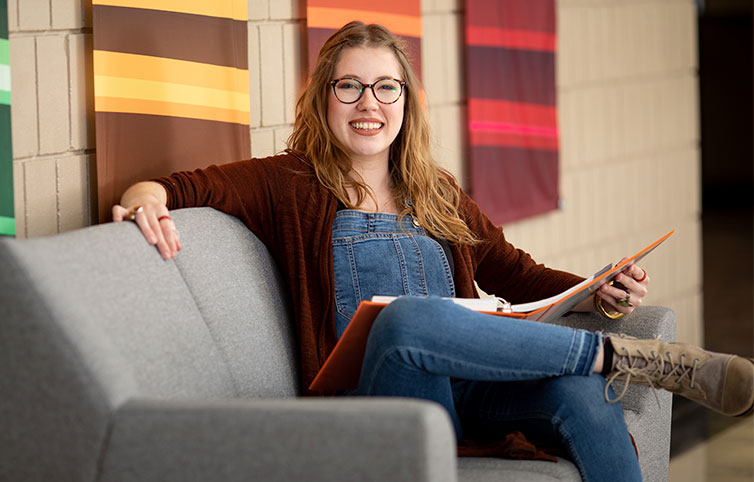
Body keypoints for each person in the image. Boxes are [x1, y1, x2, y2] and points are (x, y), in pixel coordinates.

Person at [112, 21, 753, 482]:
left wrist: (599, 287)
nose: (370, 104)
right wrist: (144, 198)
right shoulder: (291, 182)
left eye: (386, 87)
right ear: (322, 99)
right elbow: (177, 187)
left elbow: (517, 274)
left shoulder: (434, 189)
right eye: (349, 87)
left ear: (406, 101)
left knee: (580, 396)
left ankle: (611, 361)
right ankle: (630, 358)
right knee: (407, 319)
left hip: (466, 394)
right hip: (375, 403)